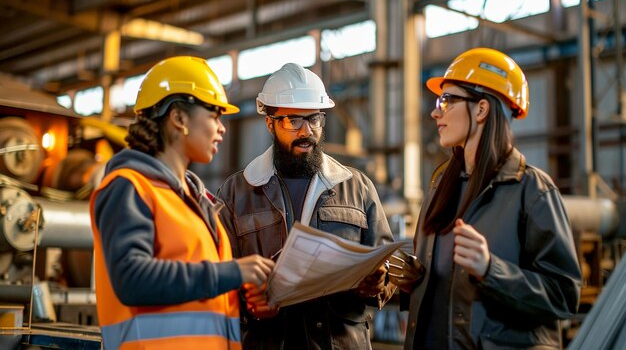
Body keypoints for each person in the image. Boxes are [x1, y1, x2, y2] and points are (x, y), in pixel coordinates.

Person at [388, 48, 582, 349]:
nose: (435, 111)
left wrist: (491, 269)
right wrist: (414, 278)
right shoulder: (441, 185)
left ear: (481, 110)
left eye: (447, 100)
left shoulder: (531, 189)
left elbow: (564, 295)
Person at [90, 56, 275, 350]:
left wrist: (244, 291)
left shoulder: (196, 202)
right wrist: (233, 272)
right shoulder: (129, 187)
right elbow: (132, 279)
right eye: (214, 115)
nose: (222, 128)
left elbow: (199, 289)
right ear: (179, 118)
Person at [217, 62, 396, 350]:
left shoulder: (357, 187)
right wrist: (249, 302)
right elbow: (218, 275)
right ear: (270, 122)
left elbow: (387, 267)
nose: (307, 131)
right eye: (293, 120)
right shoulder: (236, 193)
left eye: (314, 119)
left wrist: (379, 282)